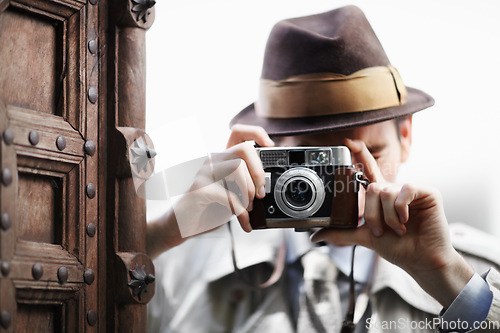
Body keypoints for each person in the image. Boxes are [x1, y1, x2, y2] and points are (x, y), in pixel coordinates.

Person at [147, 6, 500, 332]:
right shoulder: (179, 270)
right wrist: (160, 235)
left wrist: (446, 276)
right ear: (262, 154)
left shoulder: (475, 270)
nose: (343, 183)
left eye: (369, 154)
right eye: (311, 163)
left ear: (405, 136)